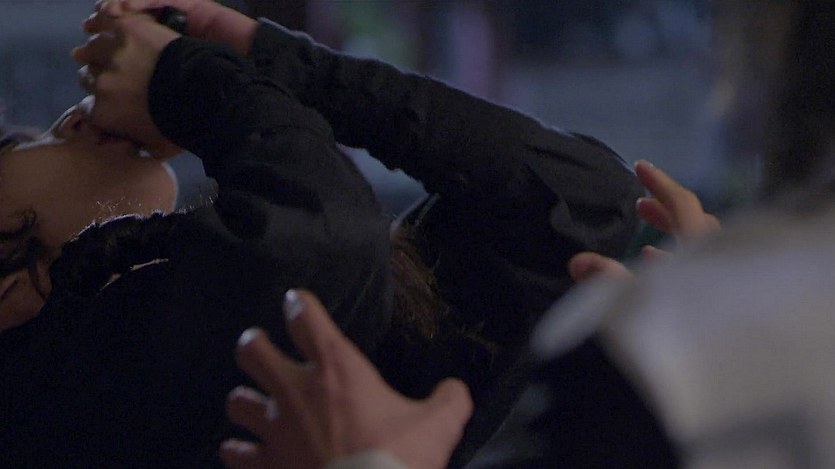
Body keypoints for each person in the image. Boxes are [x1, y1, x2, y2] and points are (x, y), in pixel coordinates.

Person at [1, 1, 642, 467]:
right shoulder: (44, 400)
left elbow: (576, 203)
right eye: (20, 143)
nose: (69, 123)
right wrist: (184, 78)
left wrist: (278, 63)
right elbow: (319, 247)